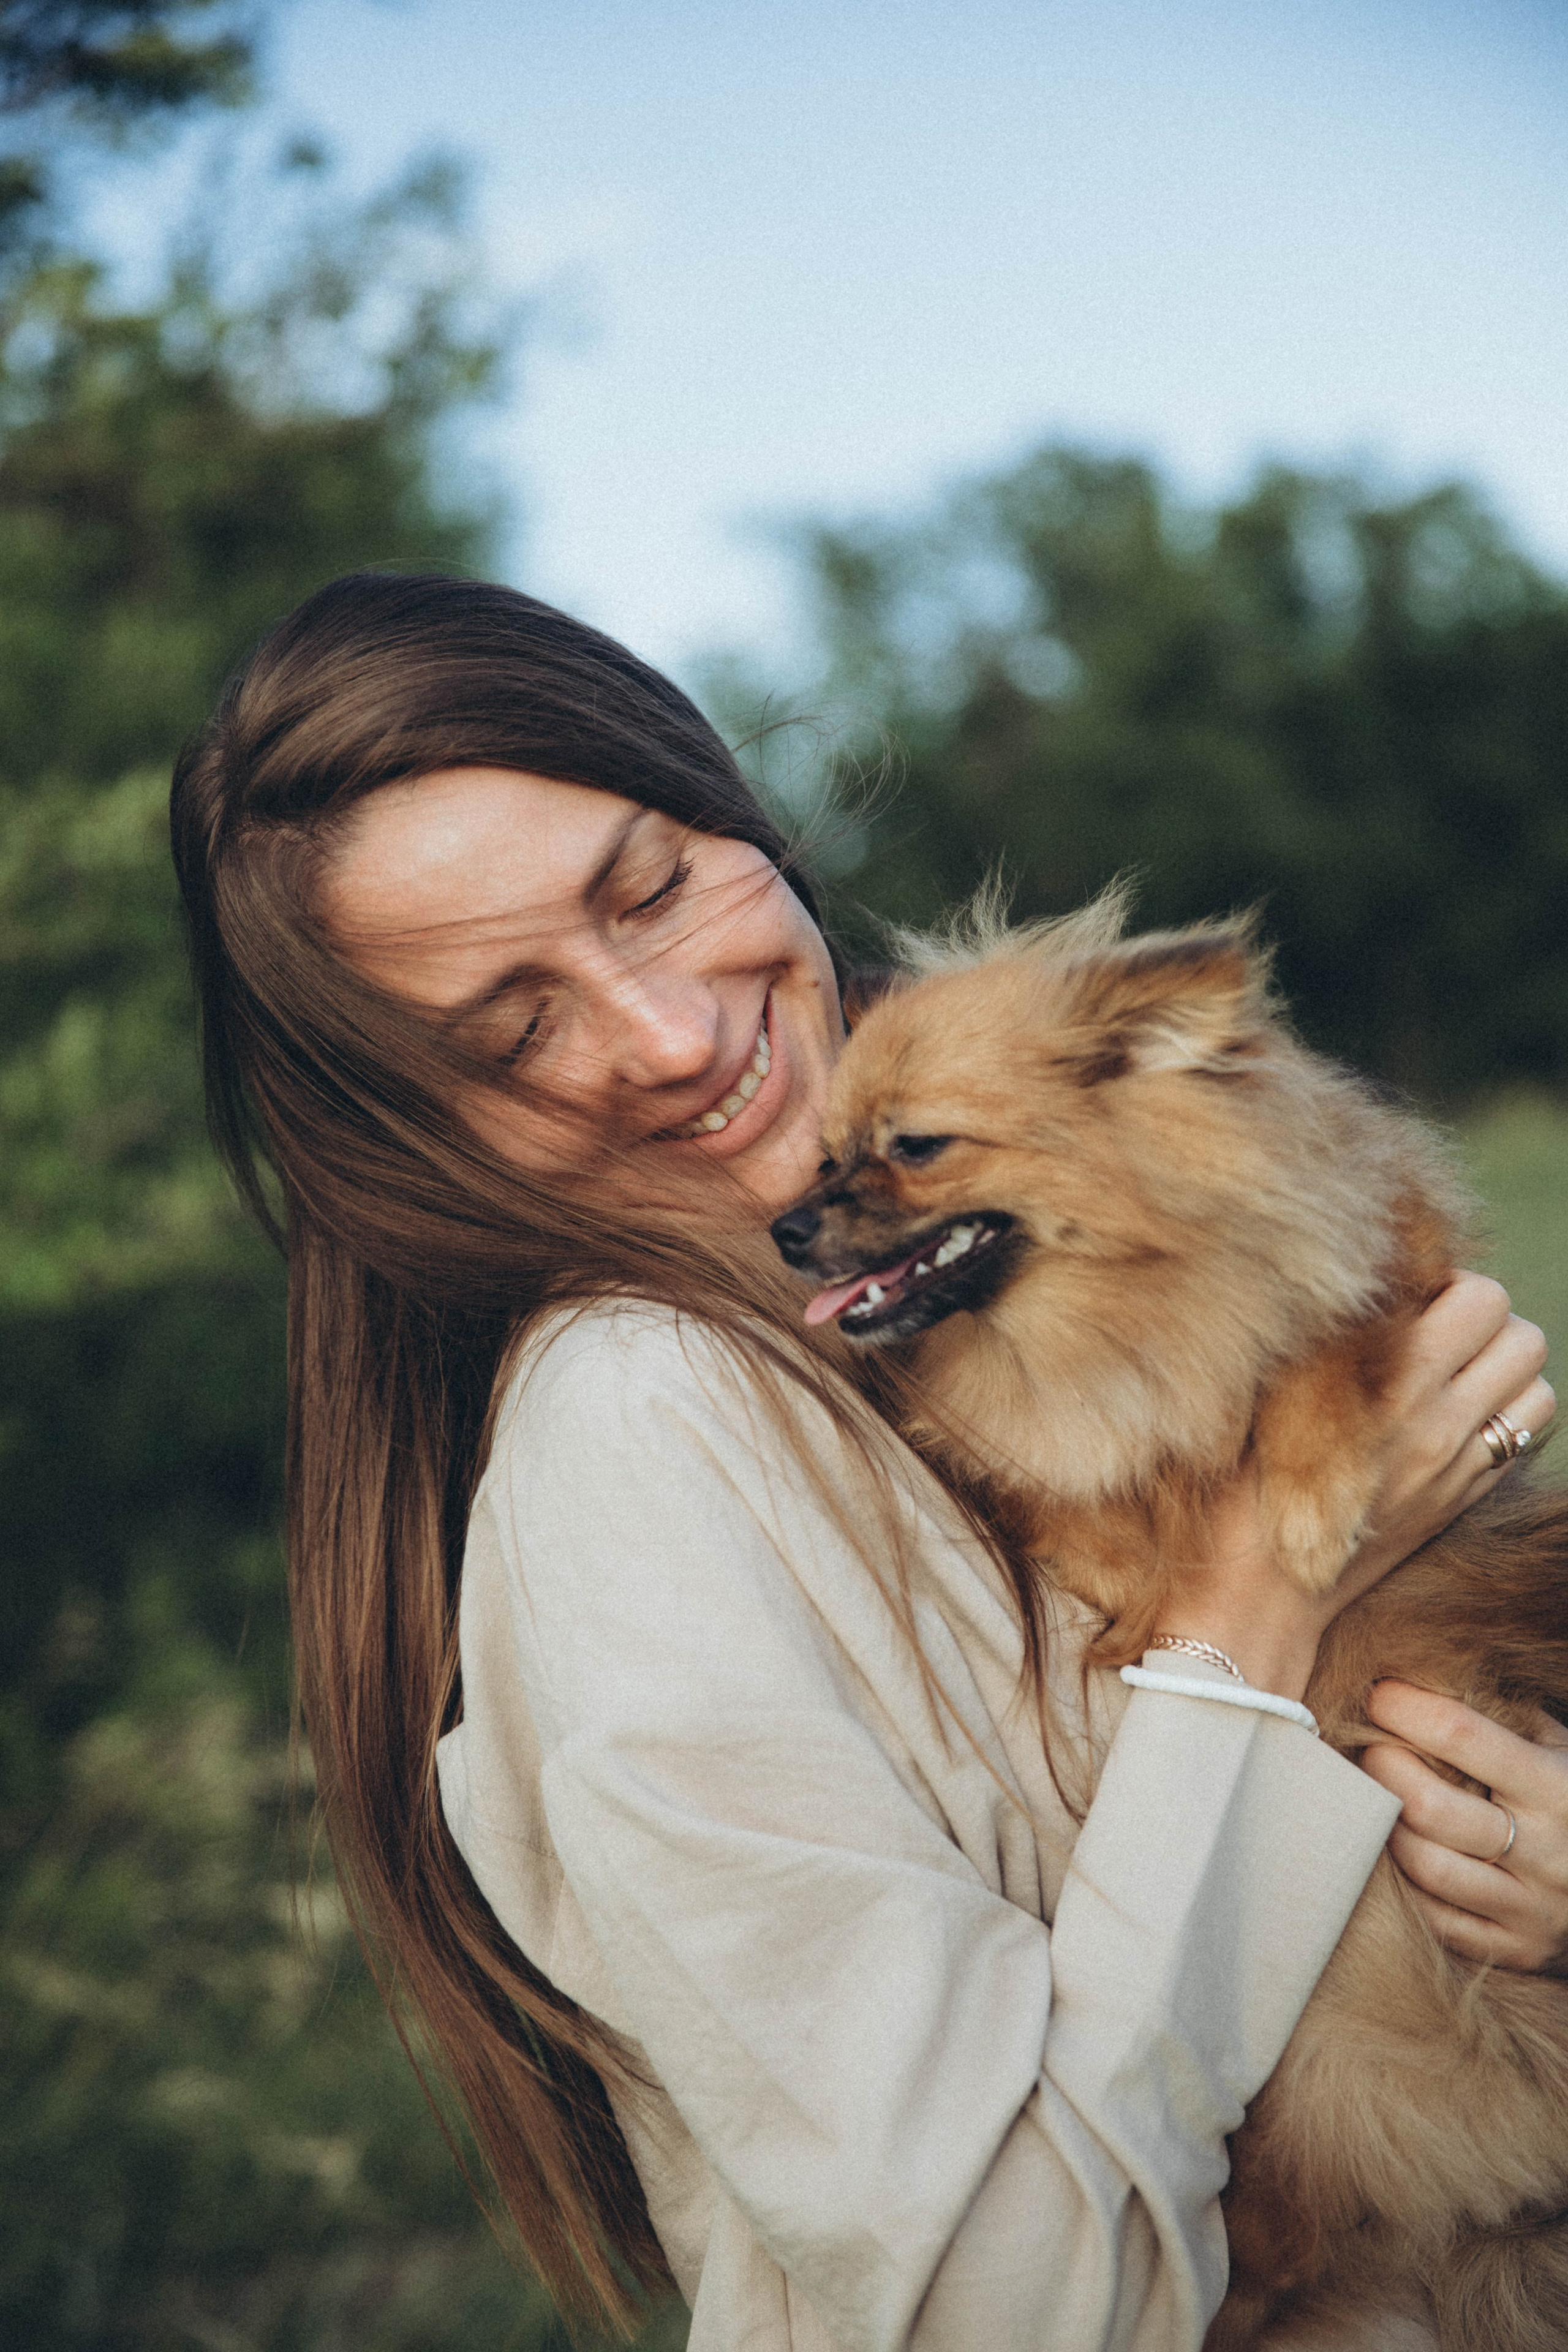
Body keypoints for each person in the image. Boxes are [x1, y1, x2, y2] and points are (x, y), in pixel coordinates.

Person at [170, 571, 1564, 2352]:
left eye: (649, 890)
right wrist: (1257, 1611)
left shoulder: (922, 1300)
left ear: (738, 815)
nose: (670, 1035)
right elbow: (1012, 2298)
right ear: (415, 1129)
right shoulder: (639, 1426)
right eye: (516, 1030)